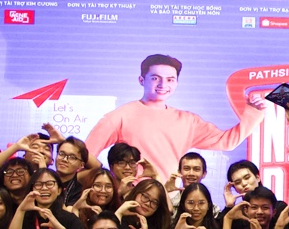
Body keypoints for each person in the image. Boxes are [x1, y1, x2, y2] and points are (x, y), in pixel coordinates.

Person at [85, 52, 269, 170]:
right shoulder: (120, 116)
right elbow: (85, 155)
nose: (163, 84)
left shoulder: (188, 121)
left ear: (176, 83)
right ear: (142, 80)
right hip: (128, 200)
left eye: (170, 79)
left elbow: (226, 142)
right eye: (155, 78)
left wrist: (253, 114)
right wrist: (109, 184)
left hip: (169, 201)